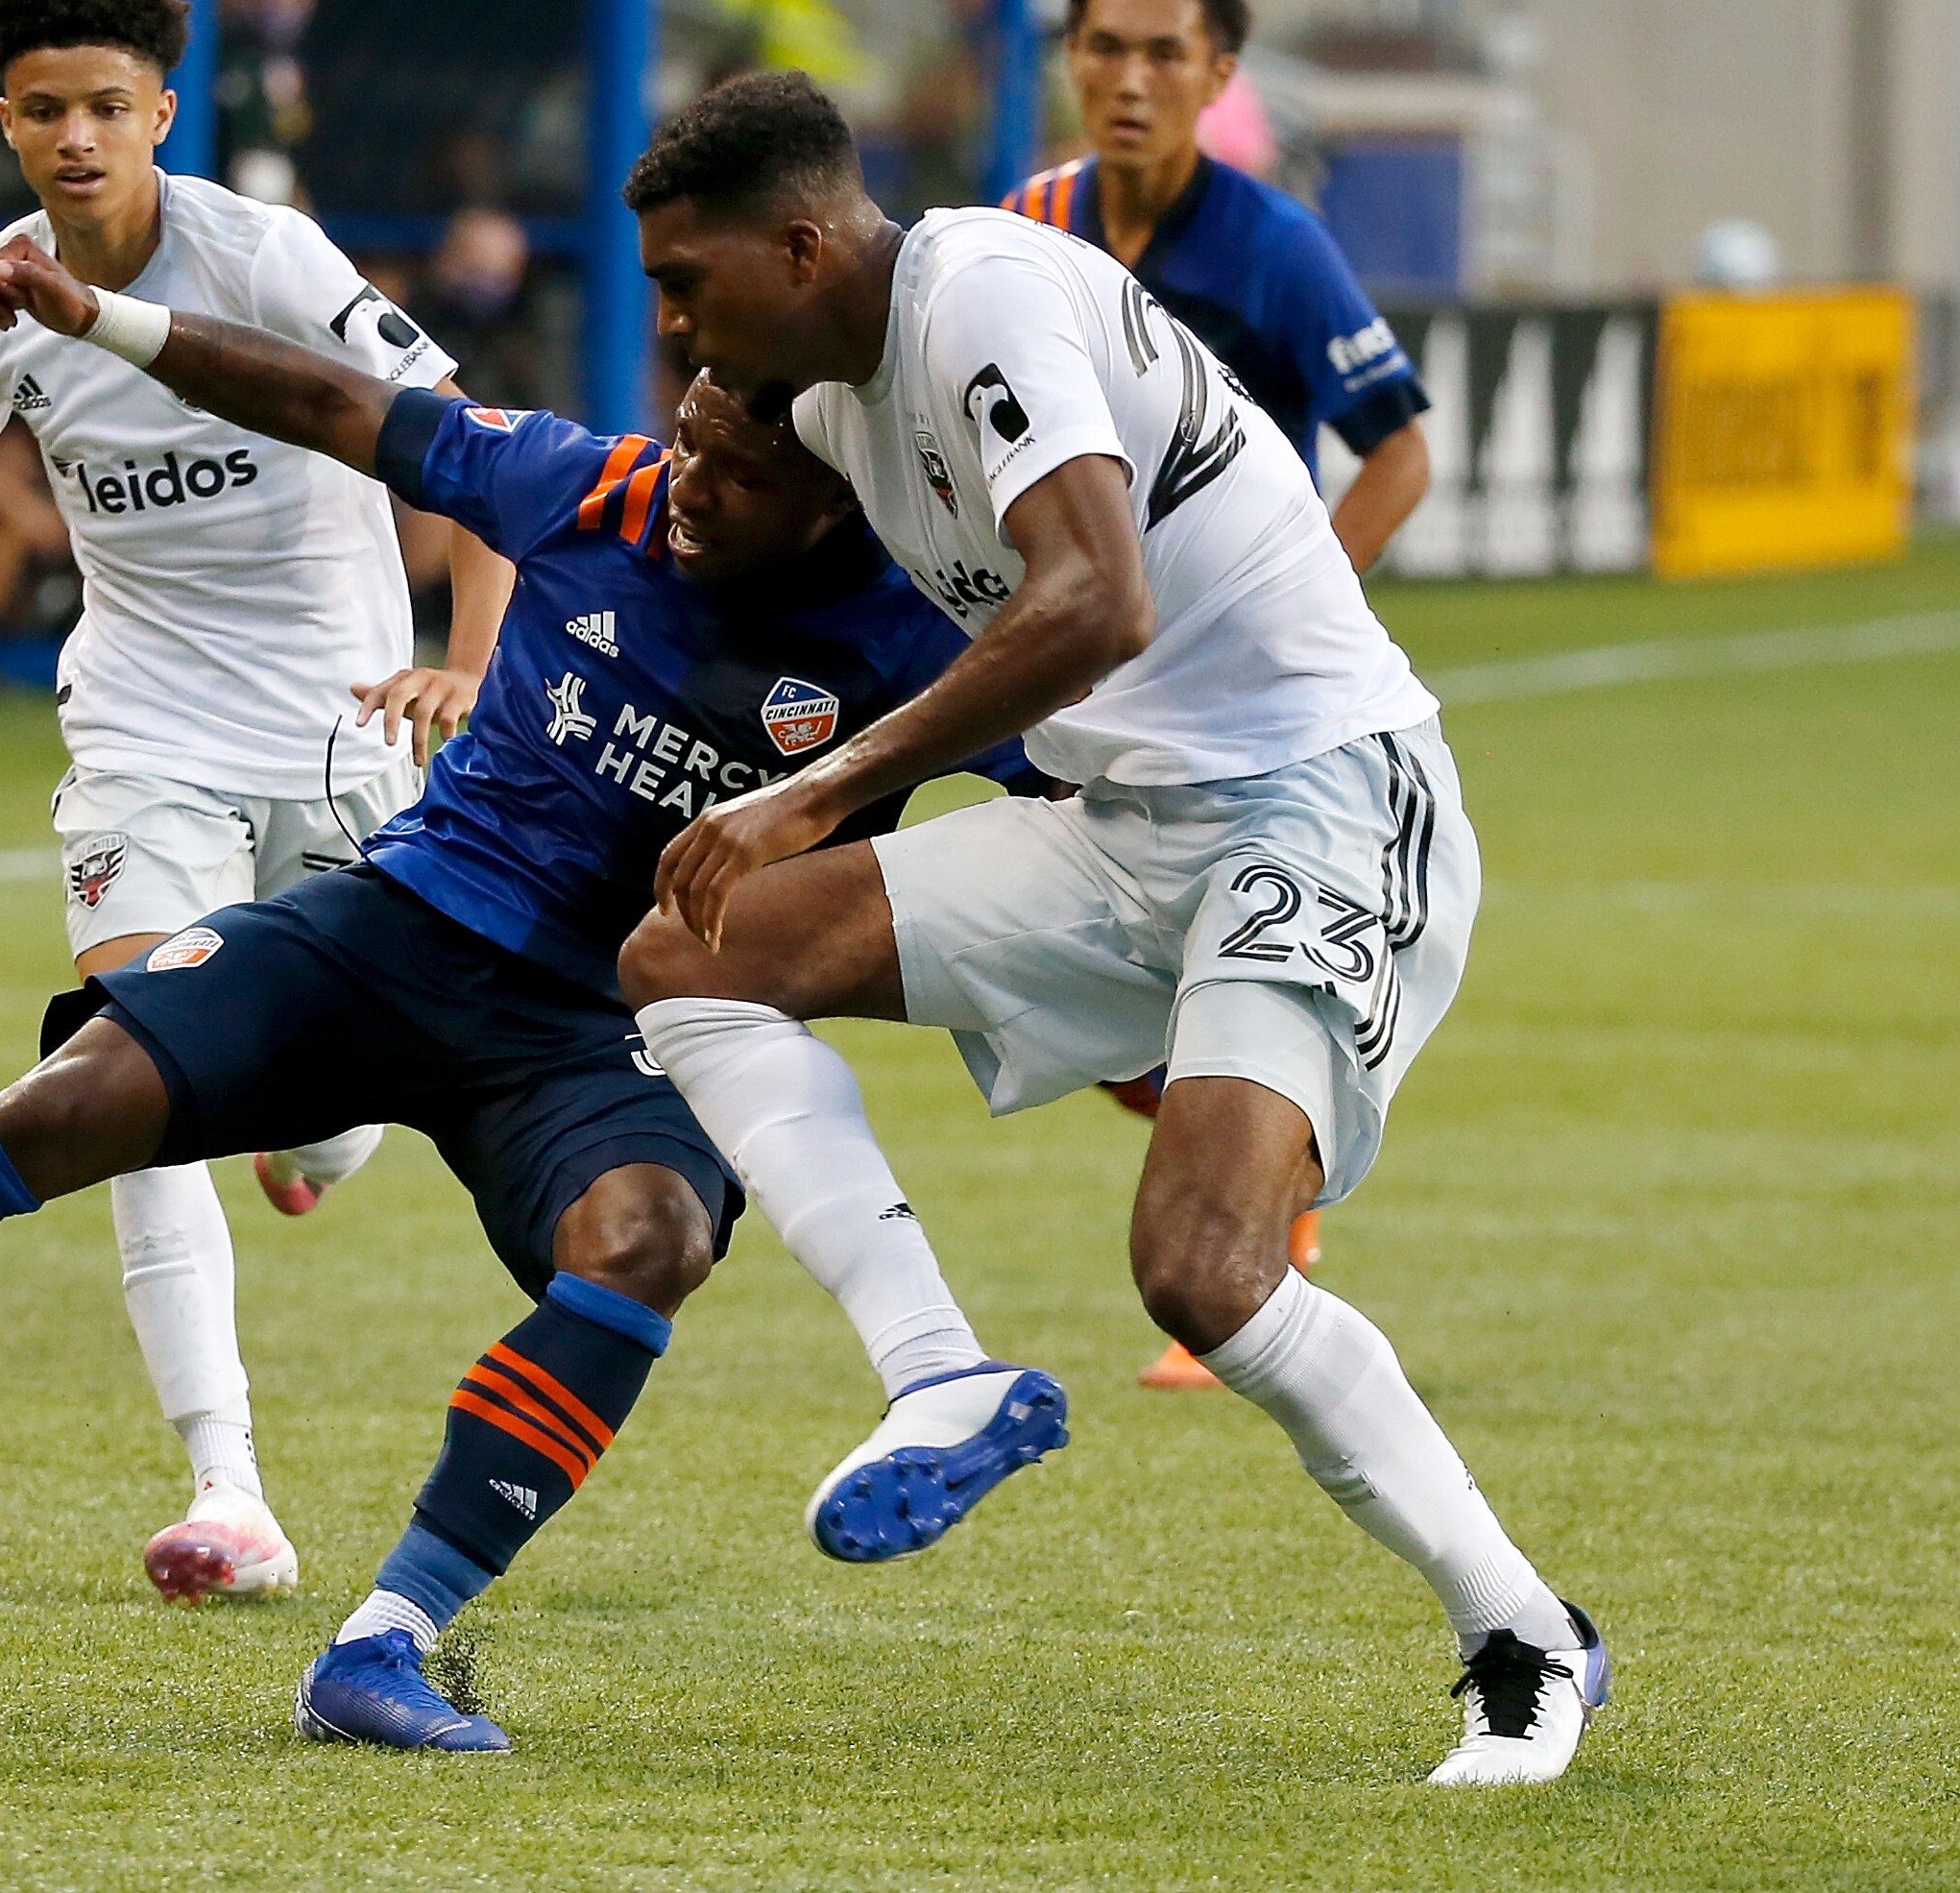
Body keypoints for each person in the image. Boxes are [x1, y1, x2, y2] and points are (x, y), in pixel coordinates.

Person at [0, 264, 1067, 1751]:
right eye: (686, 438)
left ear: (838, 501)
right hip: (393, 923)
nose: (684, 485)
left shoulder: (919, 643)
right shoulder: (589, 485)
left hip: (598, 1030)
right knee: (68, 1101)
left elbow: (1084, 792)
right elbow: (324, 402)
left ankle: (382, 1643)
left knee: (648, 1235)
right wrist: (105, 321)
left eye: (732, 475)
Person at [610, 72, 1606, 1787]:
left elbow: (1091, 596)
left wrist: (801, 796)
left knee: (1200, 1270)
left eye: (689, 285)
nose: (676, 328)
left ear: (797, 244)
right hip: (1119, 825)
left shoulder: (980, 291)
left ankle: (1519, 1634)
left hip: (1316, 795)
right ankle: (936, 1374)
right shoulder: (834, 408)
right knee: (683, 958)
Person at [0, 0, 520, 1605]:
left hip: (340, 734)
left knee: (325, 1116)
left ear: (164, 111)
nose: (73, 138)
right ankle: (227, 1484)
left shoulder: (266, 261)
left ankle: (323, 1138)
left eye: (105, 106)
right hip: (141, 730)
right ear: (1, 119)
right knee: (125, 1071)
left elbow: (468, 455)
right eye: (41, 108)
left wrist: (466, 667)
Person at [1004, 0, 1438, 1372]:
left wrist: (1299, 591)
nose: (1129, 81)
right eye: (1104, 49)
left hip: (1242, 703)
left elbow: (1398, 451)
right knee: (1057, 976)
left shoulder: (1274, 249)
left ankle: (1258, 1240)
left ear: (1217, 75)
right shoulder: (1025, 226)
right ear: (1068, 59)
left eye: (1162, 55)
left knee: (1227, 957)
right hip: (1077, 669)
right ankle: (1256, 1187)